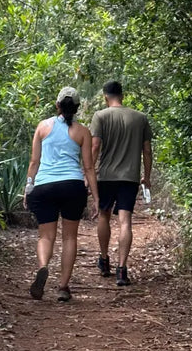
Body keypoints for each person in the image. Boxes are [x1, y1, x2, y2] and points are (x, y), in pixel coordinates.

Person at [23, 87, 99, 302]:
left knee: (45, 235)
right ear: (76, 108)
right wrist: (96, 196)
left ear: (57, 105)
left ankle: (43, 267)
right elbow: (89, 168)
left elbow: (34, 162)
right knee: (69, 237)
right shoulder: (82, 131)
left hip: (44, 185)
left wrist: (28, 188)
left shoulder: (42, 127)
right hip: (72, 186)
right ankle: (63, 287)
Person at [90, 80, 152, 286]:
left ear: (105, 96)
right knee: (125, 221)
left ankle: (104, 259)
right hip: (130, 177)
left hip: (106, 176)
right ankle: (122, 269)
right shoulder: (140, 118)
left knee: (104, 216)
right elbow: (147, 150)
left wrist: (88, 171)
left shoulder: (100, 116)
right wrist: (147, 176)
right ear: (122, 95)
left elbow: (95, 146)